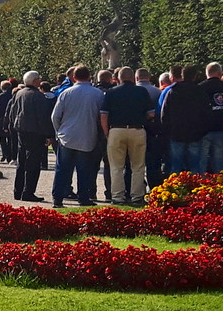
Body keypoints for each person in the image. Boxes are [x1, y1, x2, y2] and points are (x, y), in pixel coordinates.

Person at [51, 66, 106, 207]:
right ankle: (84, 197)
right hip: (88, 135)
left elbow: (55, 116)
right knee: (84, 169)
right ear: (89, 76)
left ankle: (58, 198)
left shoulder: (66, 93)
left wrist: (59, 131)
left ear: (73, 77)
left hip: (67, 136)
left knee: (62, 169)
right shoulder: (98, 94)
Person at [101, 65, 154, 204]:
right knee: (138, 166)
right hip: (137, 129)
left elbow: (104, 115)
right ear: (133, 77)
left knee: (116, 166)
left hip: (116, 130)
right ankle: (137, 196)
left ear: (118, 78)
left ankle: (117, 197)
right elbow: (151, 113)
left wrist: (107, 133)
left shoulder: (111, 92)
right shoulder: (141, 91)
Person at [161, 64, 211, 174]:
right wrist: (202, 131)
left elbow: (164, 114)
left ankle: (175, 189)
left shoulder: (173, 91)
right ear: (194, 77)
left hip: (176, 134)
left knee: (176, 167)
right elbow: (206, 114)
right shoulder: (200, 92)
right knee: (194, 167)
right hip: (195, 134)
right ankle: (194, 189)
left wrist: (169, 131)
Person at [12, 71, 54, 201]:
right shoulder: (38, 96)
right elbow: (43, 117)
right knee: (33, 163)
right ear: (35, 81)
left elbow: (13, 111)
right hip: (35, 132)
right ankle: (28, 192)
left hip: (21, 129)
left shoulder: (19, 93)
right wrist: (48, 134)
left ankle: (18, 191)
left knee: (22, 161)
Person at [200, 62, 223, 172]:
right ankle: (220, 185)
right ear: (219, 73)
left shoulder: (201, 87)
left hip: (204, 128)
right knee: (220, 161)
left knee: (202, 161)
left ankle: (201, 184)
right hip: (222, 127)